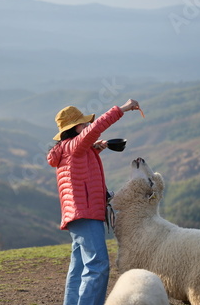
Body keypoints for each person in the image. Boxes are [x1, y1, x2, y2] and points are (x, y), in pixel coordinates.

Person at [47, 99, 141, 305]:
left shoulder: (67, 149)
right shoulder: (75, 146)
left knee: (79, 267)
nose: (88, 126)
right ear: (74, 128)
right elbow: (99, 126)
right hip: (86, 214)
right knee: (98, 265)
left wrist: (97, 148)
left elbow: (78, 166)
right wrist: (123, 108)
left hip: (77, 215)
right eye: (83, 124)